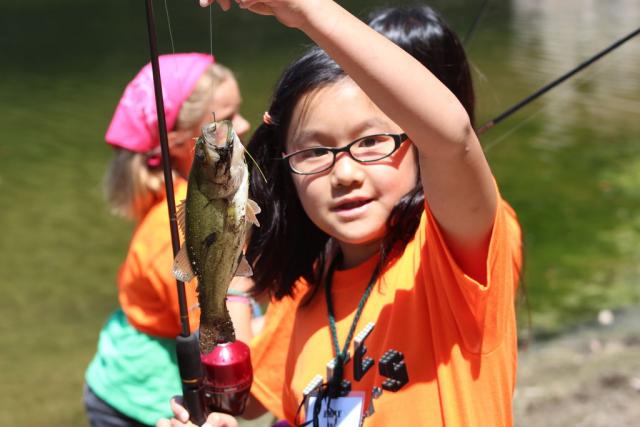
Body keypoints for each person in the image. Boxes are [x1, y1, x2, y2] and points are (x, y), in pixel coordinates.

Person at [161, 1, 522, 426]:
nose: (345, 173)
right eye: (314, 151)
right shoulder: (306, 289)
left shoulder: (452, 255)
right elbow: (250, 402)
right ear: (285, 165)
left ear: (415, 145)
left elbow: (453, 138)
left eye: (371, 142)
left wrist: (305, 10)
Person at [84, 52, 253, 427]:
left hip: (119, 361)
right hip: (137, 399)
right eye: (225, 119)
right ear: (177, 141)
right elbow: (218, 329)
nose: (244, 123)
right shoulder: (172, 227)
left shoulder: (175, 192)